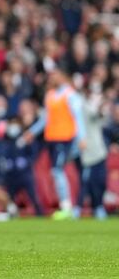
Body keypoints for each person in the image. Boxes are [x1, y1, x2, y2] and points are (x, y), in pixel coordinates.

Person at [21, 69, 85, 219]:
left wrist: (82, 137)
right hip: (53, 138)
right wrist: (32, 132)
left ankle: (66, 207)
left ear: (63, 77)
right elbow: (46, 119)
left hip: (65, 137)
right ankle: (69, 207)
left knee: (57, 170)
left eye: (56, 75)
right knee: (57, 170)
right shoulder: (50, 95)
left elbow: (78, 117)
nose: (52, 78)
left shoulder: (70, 95)